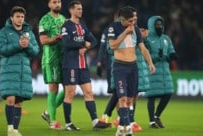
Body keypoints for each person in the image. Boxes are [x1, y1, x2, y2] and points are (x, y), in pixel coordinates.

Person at [61, 0, 111, 131]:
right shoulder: (66, 26)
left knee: (89, 92)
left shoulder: (82, 25)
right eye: (77, 9)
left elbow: (94, 41)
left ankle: (95, 121)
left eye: (81, 9)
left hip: (83, 66)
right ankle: (68, 123)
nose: (80, 11)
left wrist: (86, 47)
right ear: (71, 10)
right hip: (70, 64)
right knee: (70, 94)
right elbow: (66, 43)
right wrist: (84, 43)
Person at [108, 7, 155, 136]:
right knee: (122, 99)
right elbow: (112, 46)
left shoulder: (135, 29)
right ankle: (127, 128)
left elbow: (143, 48)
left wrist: (150, 63)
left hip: (133, 68)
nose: (132, 23)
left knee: (130, 100)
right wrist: (125, 33)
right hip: (120, 67)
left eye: (134, 20)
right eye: (130, 21)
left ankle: (121, 128)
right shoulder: (113, 27)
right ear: (122, 20)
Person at [0, 6, 39, 136]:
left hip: (23, 71)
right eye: (17, 17)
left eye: (22, 17)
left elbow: (36, 51)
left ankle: (15, 129)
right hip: (9, 70)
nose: (20, 19)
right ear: (11, 18)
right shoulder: (4, 32)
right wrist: (18, 45)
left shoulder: (28, 33)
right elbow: (0, 49)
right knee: (10, 98)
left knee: (19, 102)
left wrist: (28, 45)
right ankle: (9, 129)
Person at [144, 15, 177, 129]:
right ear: (152, 26)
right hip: (152, 71)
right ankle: (151, 121)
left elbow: (171, 50)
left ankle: (157, 116)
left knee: (168, 94)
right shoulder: (147, 39)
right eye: (157, 24)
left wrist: (172, 56)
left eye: (160, 24)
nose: (159, 26)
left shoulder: (166, 38)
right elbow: (145, 57)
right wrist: (157, 57)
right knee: (151, 96)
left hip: (165, 72)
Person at [38, 0, 65, 129]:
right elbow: (43, 41)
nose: (57, 4)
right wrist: (56, 38)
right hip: (51, 59)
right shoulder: (45, 19)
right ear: (49, 4)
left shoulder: (63, 18)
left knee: (69, 89)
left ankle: (47, 112)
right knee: (53, 88)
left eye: (59, 1)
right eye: (54, 2)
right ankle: (53, 121)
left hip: (64, 58)